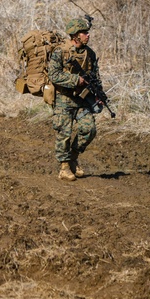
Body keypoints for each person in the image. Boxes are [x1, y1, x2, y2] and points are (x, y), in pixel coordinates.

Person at [47, 17, 103, 181]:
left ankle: (73, 157)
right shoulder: (61, 52)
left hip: (82, 99)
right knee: (64, 134)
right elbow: (54, 75)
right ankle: (64, 167)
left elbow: (95, 76)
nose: (88, 35)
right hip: (63, 99)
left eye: (87, 32)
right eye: (84, 33)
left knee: (89, 129)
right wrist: (74, 80)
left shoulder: (89, 53)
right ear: (75, 36)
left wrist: (98, 94)